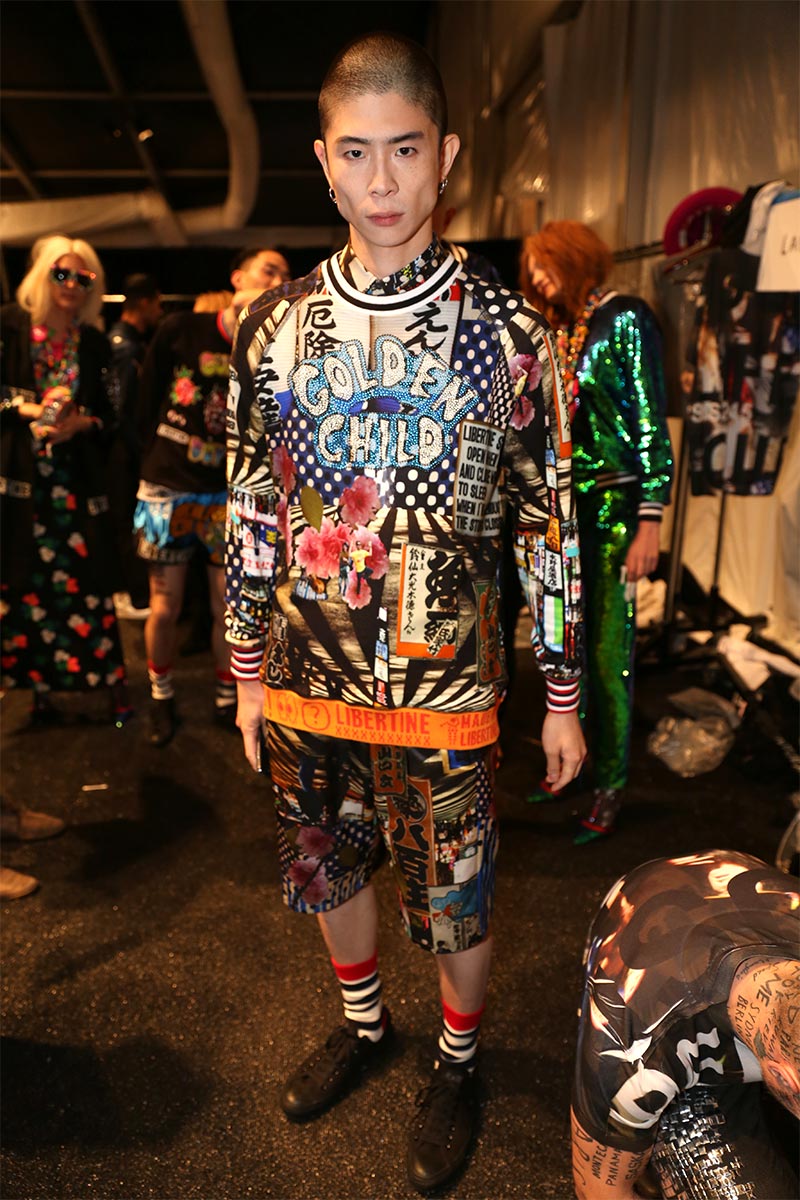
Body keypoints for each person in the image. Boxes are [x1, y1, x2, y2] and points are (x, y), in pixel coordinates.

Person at [226, 33, 585, 1192]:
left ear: (447, 156)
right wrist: (243, 670)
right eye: (355, 153)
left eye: (404, 150)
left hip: (447, 683)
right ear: (322, 162)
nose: (380, 181)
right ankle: (364, 1023)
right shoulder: (271, 330)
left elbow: (547, 525)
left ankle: (458, 1060)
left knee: (455, 892)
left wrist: (561, 694)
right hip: (304, 674)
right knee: (325, 868)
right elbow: (250, 502)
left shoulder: (511, 339)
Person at [523, 221, 673, 843]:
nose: (536, 278)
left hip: (614, 507)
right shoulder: (560, 330)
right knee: (565, 645)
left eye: (544, 264)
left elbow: (650, 420)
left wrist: (650, 520)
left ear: (574, 258)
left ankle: (610, 783)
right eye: (532, 268)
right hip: (564, 512)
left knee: (610, 655)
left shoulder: (624, 318)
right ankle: (573, 763)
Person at [570, 849, 800, 1200]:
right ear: (783, 1078)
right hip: (685, 1053)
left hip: (735, 890)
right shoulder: (639, 1051)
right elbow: (601, 1190)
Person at [134, 247, 290, 747]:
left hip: (226, 494)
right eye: (268, 270)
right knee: (165, 603)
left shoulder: (272, 345)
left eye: (285, 275)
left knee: (229, 602)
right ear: (238, 277)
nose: (277, 279)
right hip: (168, 487)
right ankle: (160, 697)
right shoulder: (181, 328)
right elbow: (144, 400)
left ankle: (228, 698)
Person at [0, 234, 131, 725]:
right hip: (24, 484)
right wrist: (29, 408)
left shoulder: (93, 341)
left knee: (90, 584)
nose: (72, 284)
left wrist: (82, 424)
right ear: (42, 276)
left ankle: (112, 686)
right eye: (62, 274)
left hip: (77, 484)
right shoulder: (10, 327)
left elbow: (112, 415)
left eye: (83, 277)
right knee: (26, 586)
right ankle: (39, 690)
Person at [108, 273, 163, 616]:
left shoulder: (129, 343)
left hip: (126, 449)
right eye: (157, 304)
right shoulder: (124, 346)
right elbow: (121, 410)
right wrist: (143, 451)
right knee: (128, 521)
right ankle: (137, 595)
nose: (160, 311)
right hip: (124, 453)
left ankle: (137, 593)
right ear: (144, 302)